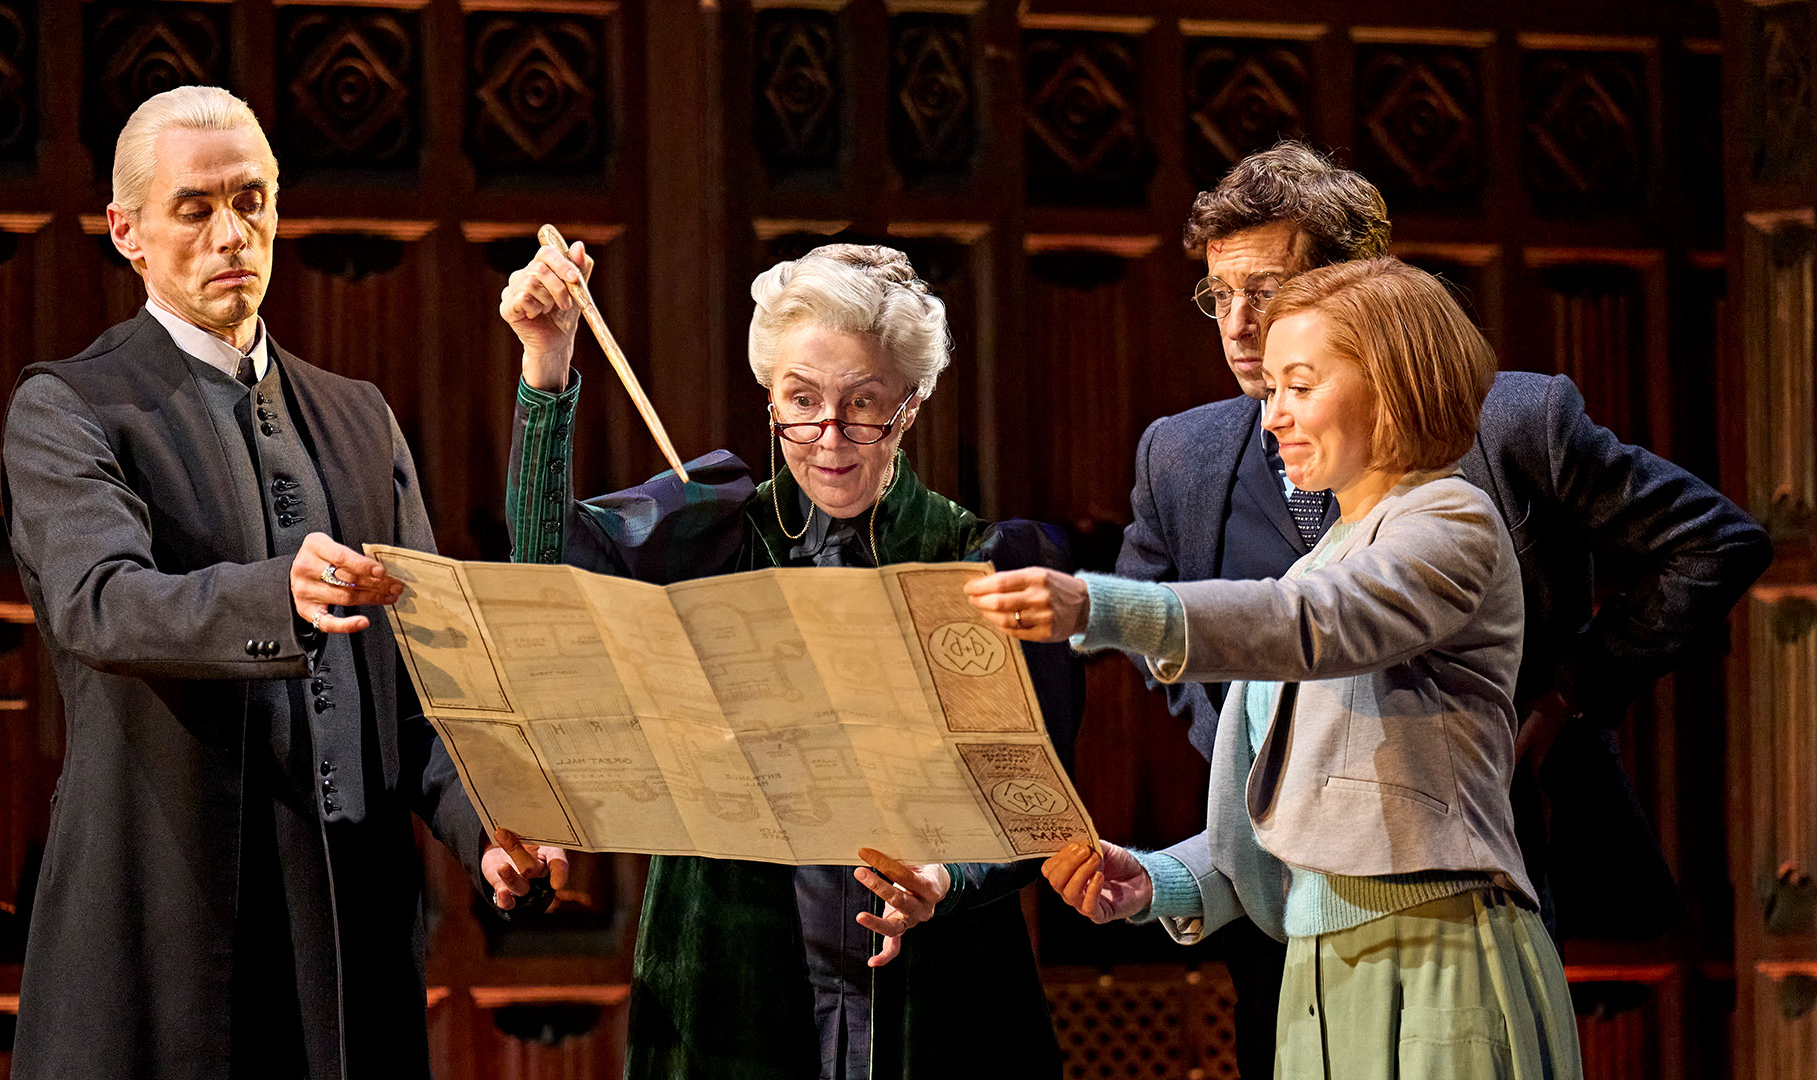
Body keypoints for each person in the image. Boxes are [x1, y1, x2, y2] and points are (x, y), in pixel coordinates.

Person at [1107, 141, 1771, 1075]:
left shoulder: (1506, 427)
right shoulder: (1181, 455)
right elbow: (1168, 632)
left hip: (1468, 870)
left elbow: (1715, 541)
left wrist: (1564, 700)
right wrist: (1256, 773)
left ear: (1360, 284)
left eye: (1269, 288)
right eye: (1219, 294)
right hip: (1275, 897)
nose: (1239, 323)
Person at [1, 85, 563, 1080]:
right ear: (127, 232)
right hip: (167, 918)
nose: (233, 234)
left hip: (349, 928)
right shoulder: (69, 406)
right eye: (197, 208)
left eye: (252, 201)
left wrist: (487, 830)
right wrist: (276, 595)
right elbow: (101, 602)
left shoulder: (359, 417)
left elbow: (424, 687)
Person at [971, 258, 1584, 1078]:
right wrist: (1155, 882)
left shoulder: (1451, 519)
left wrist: (1103, 607)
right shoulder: (1318, 565)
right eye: (1271, 395)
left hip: (1436, 959)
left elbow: (1320, 624)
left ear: (1392, 387)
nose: (1273, 421)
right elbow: (1283, 833)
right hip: (1318, 973)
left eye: (1299, 387)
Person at [498, 241, 1081, 1078]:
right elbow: (543, 575)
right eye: (801, 402)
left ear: (910, 406)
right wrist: (547, 364)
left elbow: (1039, 805)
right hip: (726, 967)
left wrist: (946, 878)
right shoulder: (714, 528)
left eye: (863, 404)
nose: (829, 437)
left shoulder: (983, 558)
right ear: (769, 399)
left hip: (933, 984)